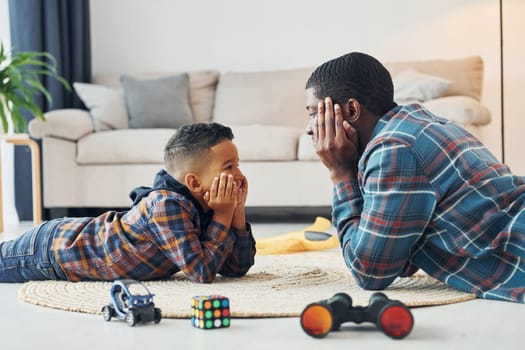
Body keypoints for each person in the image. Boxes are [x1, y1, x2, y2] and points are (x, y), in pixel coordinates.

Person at [305, 52, 525, 303]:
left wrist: (340, 174)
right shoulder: (417, 124)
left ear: (351, 109)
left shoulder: (393, 148)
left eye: (314, 113)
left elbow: (369, 271)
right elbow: (399, 257)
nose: (310, 128)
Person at [0, 122, 256, 283]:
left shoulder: (208, 203)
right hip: (56, 249)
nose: (239, 174)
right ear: (195, 182)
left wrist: (236, 211)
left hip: (66, 245)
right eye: (229, 167)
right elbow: (202, 272)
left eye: (238, 165)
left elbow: (237, 267)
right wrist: (224, 215)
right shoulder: (167, 204)